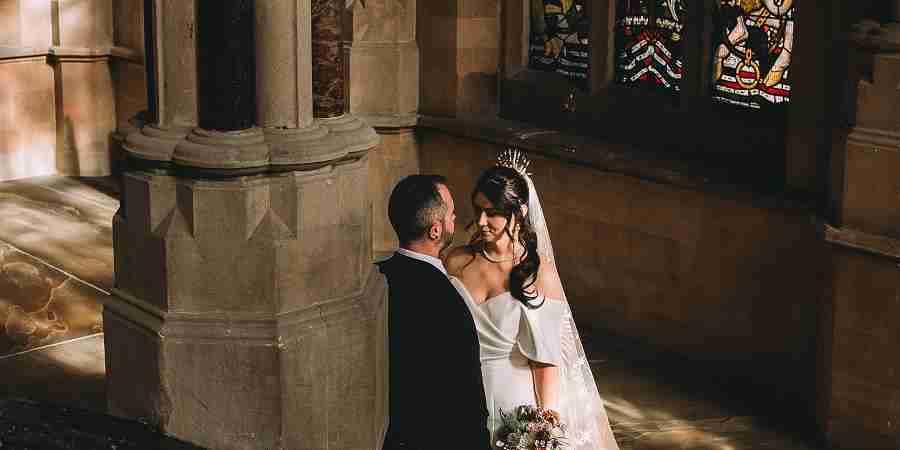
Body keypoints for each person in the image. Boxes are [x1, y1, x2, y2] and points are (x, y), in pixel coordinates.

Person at [445, 150, 619, 450]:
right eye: (478, 210)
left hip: (513, 403)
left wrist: (544, 424)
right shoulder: (456, 261)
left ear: (520, 213)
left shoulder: (539, 274)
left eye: (493, 212)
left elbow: (545, 359)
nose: (482, 220)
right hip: (458, 391)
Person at [378, 174, 491, 450]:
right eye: (451, 214)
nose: (455, 218)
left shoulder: (379, 278)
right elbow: (466, 400)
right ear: (436, 230)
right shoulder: (448, 303)